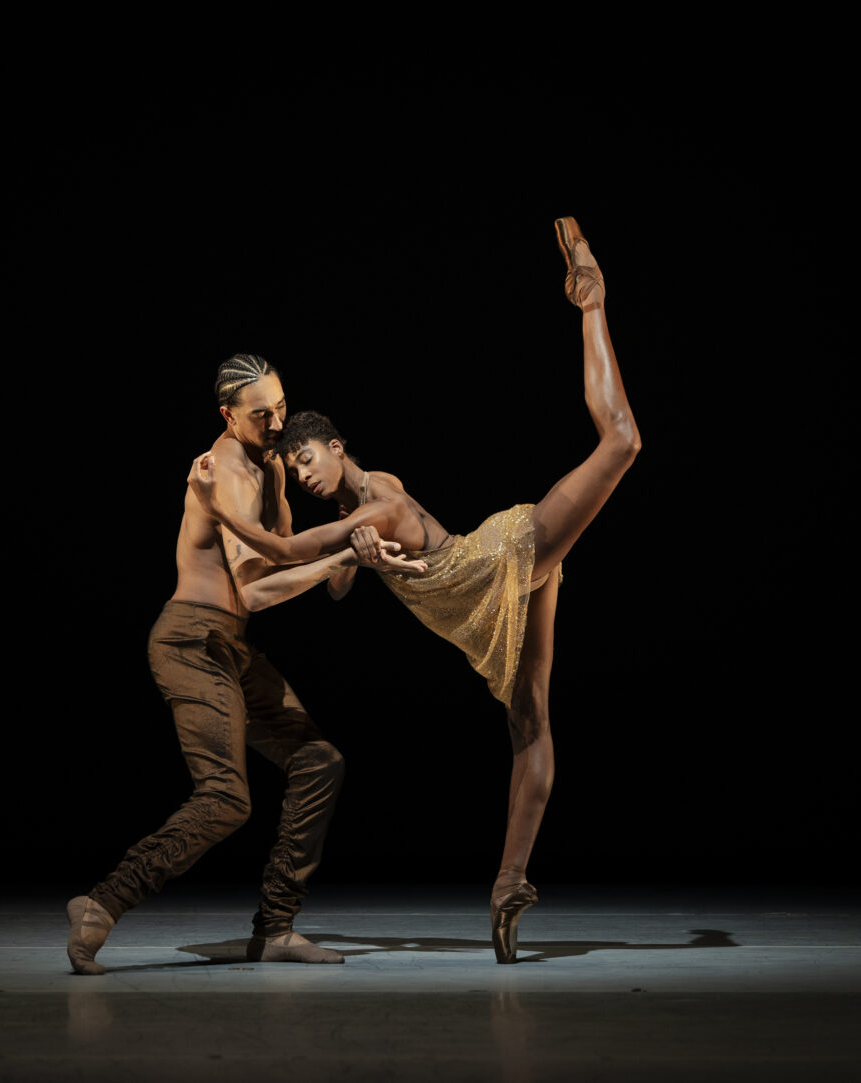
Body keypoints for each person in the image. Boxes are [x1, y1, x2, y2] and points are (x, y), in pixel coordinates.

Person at [189, 217, 641, 963]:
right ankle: (509, 883)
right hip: (487, 603)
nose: (299, 474)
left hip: (501, 556)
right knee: (529, 724)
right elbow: (335, 581)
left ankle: (591, 302)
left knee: (621, 441)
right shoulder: (363, 507)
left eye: (306, 459)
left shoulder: (377, 504)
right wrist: (356, 558)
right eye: (292, 466)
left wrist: (219, 507)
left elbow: (290, 550)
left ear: (337, 447)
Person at [66, 353, 425, 975]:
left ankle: (276, 929)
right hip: (190, 643)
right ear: (229, 416)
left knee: (319, 761)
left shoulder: (271, 466)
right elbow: (258, 590)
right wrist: (342, 560)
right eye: (263, 414)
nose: (277, 421)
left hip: (230, 646)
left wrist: (353, 541)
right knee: (227, 798)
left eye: (283, 406)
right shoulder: (228, 470)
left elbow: (292, 566)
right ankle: (101, 904)